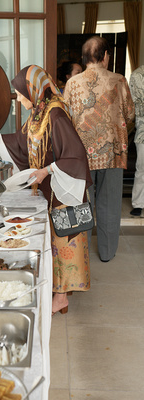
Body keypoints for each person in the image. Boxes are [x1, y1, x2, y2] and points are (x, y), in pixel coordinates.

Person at [0, 65, 92, 315]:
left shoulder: (56, 114)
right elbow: (22, 141)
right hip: (50, 187)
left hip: (63, 187)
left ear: (35, 90)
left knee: (65, 238)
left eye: (22, 94)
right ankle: (58, 290)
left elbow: (76, 155)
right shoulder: (39, 112)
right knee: (56, 240)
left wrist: (46, 171)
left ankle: (61, 297)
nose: (20, 100)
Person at [64, 36, 135, 262]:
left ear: (84, 58)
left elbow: (65, 119)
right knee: (110, 206)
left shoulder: (72, 84)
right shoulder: (119, 80)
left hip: (81, 157)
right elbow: (131, 114)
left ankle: (80, 255)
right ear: (105, 56)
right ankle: (106, 253)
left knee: (82, 205)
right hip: (113, 155)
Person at [129, 65, 144, 216]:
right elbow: (135, 107)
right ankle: (138, 203)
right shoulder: (137, 75)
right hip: (143, 131)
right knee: (142, 168)